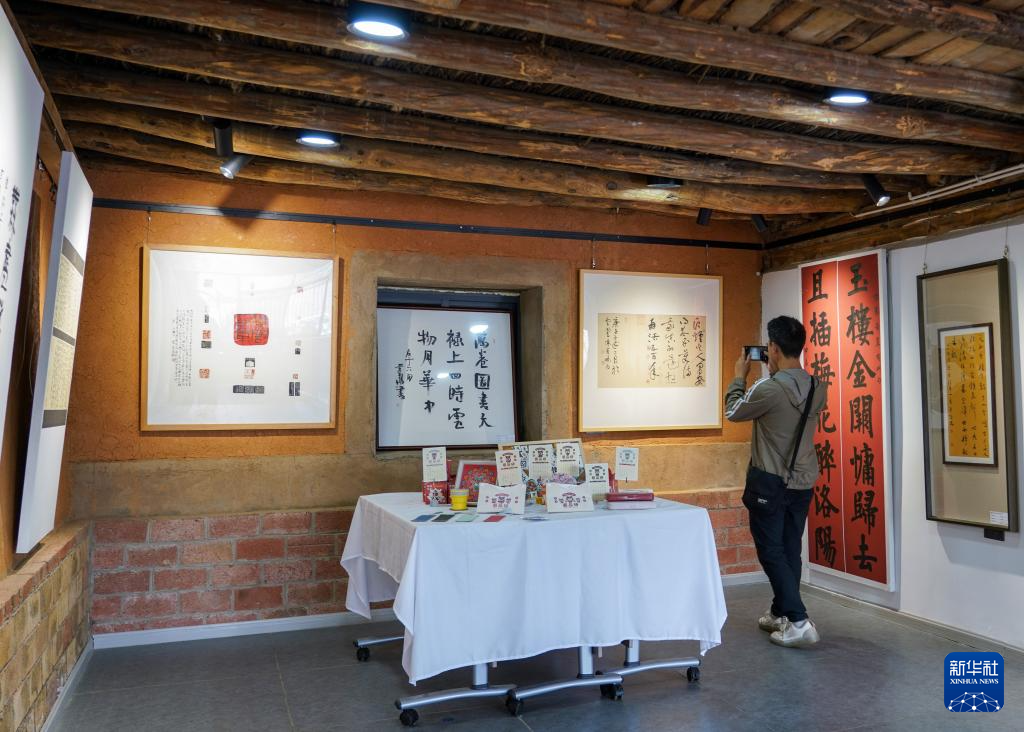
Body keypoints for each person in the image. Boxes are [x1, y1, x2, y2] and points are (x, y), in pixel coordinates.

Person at [725, 316, 827, 648]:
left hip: (770, 481)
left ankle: (798, 621)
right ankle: (780, 612)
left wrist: (738, 377)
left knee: (771, 551)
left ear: (773, 348)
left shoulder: (768, 388)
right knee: (789, 548)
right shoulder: (818, 386)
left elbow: (733, 412)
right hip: (803, 480)